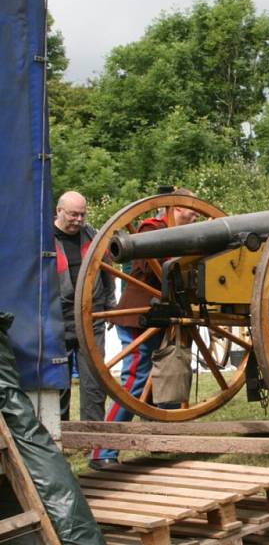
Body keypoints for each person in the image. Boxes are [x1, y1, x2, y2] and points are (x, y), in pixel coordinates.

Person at [90, 189, 198, 469]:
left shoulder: (179, 232)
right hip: (141, 316)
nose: (195, 213)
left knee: (166, 379)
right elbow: (159, 267)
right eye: (190, 208)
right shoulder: (152, 229)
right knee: (133, 383)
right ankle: (102, 451)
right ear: (175, 208)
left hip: (162, 316)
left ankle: (161, 441)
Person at [54, 191, 116, 422]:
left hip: (92, 316)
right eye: (73, 215)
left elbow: (108, 270)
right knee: (57, 381)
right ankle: (60, 433)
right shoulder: (42, 239)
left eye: (82, 214)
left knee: (94, 381)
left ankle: (93, 434)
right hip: (56, 318)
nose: (79, 220)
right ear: (59, 211)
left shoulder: (92, 236)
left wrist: (110, 304)